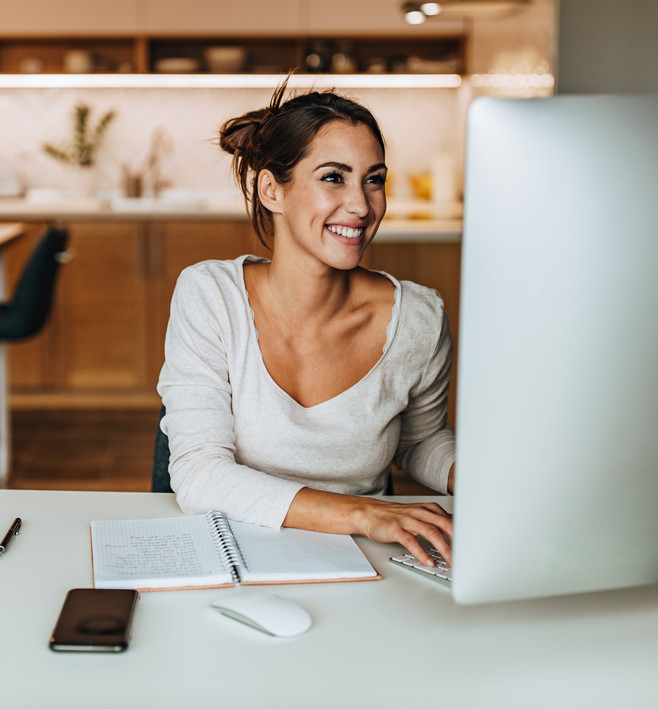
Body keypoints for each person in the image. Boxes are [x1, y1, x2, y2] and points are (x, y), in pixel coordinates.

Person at [157, 82, 456, 568]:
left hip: (370, 560)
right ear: (272, 189)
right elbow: (199, 474)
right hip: (236, 550)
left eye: (374, 179)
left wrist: (480, 474)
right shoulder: (212, 297)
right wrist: (363, 513)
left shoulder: (419, 319)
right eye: (334, 178)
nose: (361, 206)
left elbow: (418, 439)